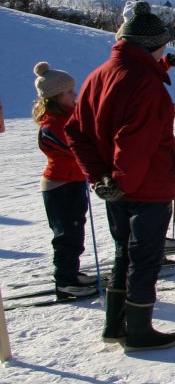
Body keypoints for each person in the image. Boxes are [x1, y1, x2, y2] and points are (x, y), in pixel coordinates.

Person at [66, 2, 175, 351]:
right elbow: (135, 141)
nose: (165, 51)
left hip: (115, 186)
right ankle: (138, 330)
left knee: (124, 254)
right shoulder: (143, 83)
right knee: (144, 257)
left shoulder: (99, 75)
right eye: (162, 47)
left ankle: (116, 325)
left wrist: (100, 178)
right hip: (143, 187)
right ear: (150, 45)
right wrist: (119, 181)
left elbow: (76, 131)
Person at [33, 62, 96, 300]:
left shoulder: (69, 115)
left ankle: (72, 273)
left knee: (75, 230)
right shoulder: (52, 125)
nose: (74, 95)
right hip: (59, 185)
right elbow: (75, 150)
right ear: (55, 97)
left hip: (73, 182)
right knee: (66, 236)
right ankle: (65, 281)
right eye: (69, 92)